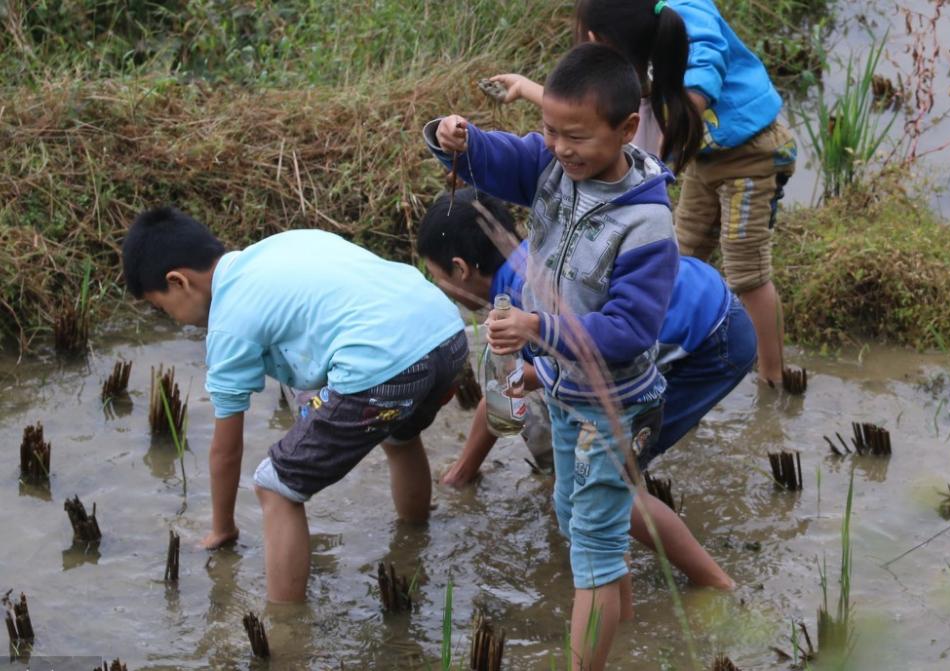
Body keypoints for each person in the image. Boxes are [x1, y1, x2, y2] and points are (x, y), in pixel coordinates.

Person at [425, 43, 679, 670]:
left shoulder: (646, 225)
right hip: (568, 393)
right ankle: (617, 642)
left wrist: (541, 326)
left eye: (577, 137)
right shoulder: (554, 166)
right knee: (579, 522)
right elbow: (501, 158)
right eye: (550, 131)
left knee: (590, 544)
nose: (560, 149)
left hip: (616, 405)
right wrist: (455, 137)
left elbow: (629, 329)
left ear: (625, 129)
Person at [121, 207, 467, 603]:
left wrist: (223, 528)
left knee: (276, 485)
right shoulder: (281, 246)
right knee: (399, 438)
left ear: (178, 281)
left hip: (386, 367)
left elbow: (226, 450)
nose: (173, 320)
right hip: (446, 336)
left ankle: (286, 627)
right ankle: (414, 539)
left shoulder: (228, 321)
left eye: (162, 308)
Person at [417, 188, 753, 590]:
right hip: (701, 300)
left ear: (460, 269)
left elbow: (556, 367)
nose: (441, 288)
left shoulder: (527, 301)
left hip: (710, 343)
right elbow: (509, 389)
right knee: (588, 463)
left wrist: (526, 383)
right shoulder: (529, 258)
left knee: (602, 484)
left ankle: (715, 585)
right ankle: (615, 573)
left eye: (437, 278)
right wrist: (463, 473)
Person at [491, 0, 798, 386]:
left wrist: (691, 101)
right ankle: (686, 354)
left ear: (599, 39)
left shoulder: (679, 15)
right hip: (708, 156)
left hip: (752, 151)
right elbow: (589, 119)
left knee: (746, 269)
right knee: (679, 255)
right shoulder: (638, 76)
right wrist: (528, 88)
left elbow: (706, 57)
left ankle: (773, 377)